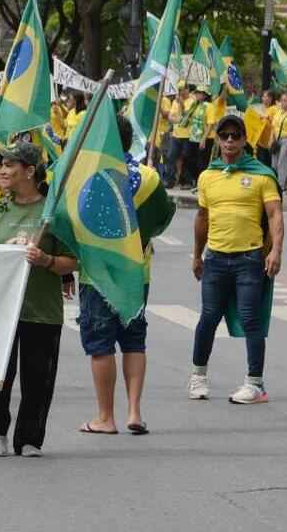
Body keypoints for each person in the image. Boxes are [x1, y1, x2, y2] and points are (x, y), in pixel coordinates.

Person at [0, 142, 76, 457]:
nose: (2, 171)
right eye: (0, 164)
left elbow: (71, 262)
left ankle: (29, 438)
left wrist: (45, 259)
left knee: (38, 379)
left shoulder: (53, 213)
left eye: (10, 165)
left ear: (30, 171)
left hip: (40, 310)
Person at [77, 117, 175, 436]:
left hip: (97, 275)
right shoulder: (148, 177)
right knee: (133, 340)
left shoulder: (84, 177)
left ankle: (105, 416)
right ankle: (135, 411)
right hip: (136, 272)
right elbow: (162, 219)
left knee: (101, 345)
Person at [190, 115, 284, 405]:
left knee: (250, 320)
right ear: (217, 140)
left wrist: (276, 250)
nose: (229, 141)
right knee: (208, 317)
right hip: (215, 259)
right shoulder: (207, 176)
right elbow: (202, 218)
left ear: (244, 140)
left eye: (235, 136)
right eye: (224, 136)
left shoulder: (262, 175)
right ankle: (198, 377)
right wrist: (197, 254)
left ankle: (255, 384)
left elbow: (274, 216)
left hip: (249, 260)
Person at [167, 85, 194, 188]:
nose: (180, 92)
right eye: (178, 90)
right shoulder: (174, 101)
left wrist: (182, 105)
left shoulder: (192, 101)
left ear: (187, 89)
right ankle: (170, 180)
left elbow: (187, 117)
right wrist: (175, 119)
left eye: (182, 89)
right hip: (176, 134)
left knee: (186, 158)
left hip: (187, 135)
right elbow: (170, 116)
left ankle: (186, 181)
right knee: (171, 156)